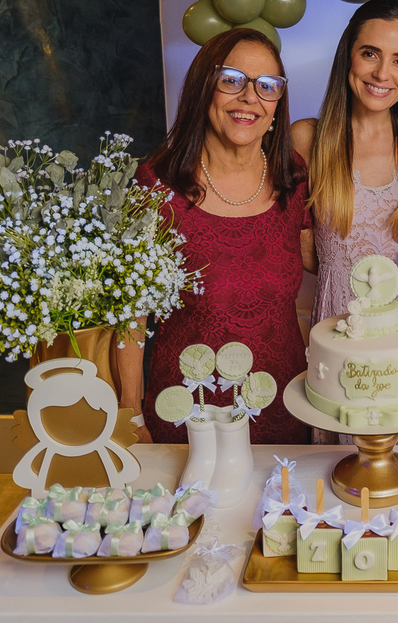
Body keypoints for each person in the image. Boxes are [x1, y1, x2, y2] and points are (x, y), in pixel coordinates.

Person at [125, 28, 311, 444]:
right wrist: (131, 414)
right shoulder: (157, 184)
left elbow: (327, 257)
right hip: (187, 417)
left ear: (277, 104)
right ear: (202, 87)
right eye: (231, 79)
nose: (249, 97)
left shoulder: (293, 176)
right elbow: (132, 312)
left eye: (267, 86)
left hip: (284, 411)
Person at [291, 0, 398, 445]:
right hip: (338, 331)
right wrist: (345, 276)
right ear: (348, 56)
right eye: (370, 53)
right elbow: (298, 243)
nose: (382, 73)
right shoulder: (308, 138)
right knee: (342, 465)